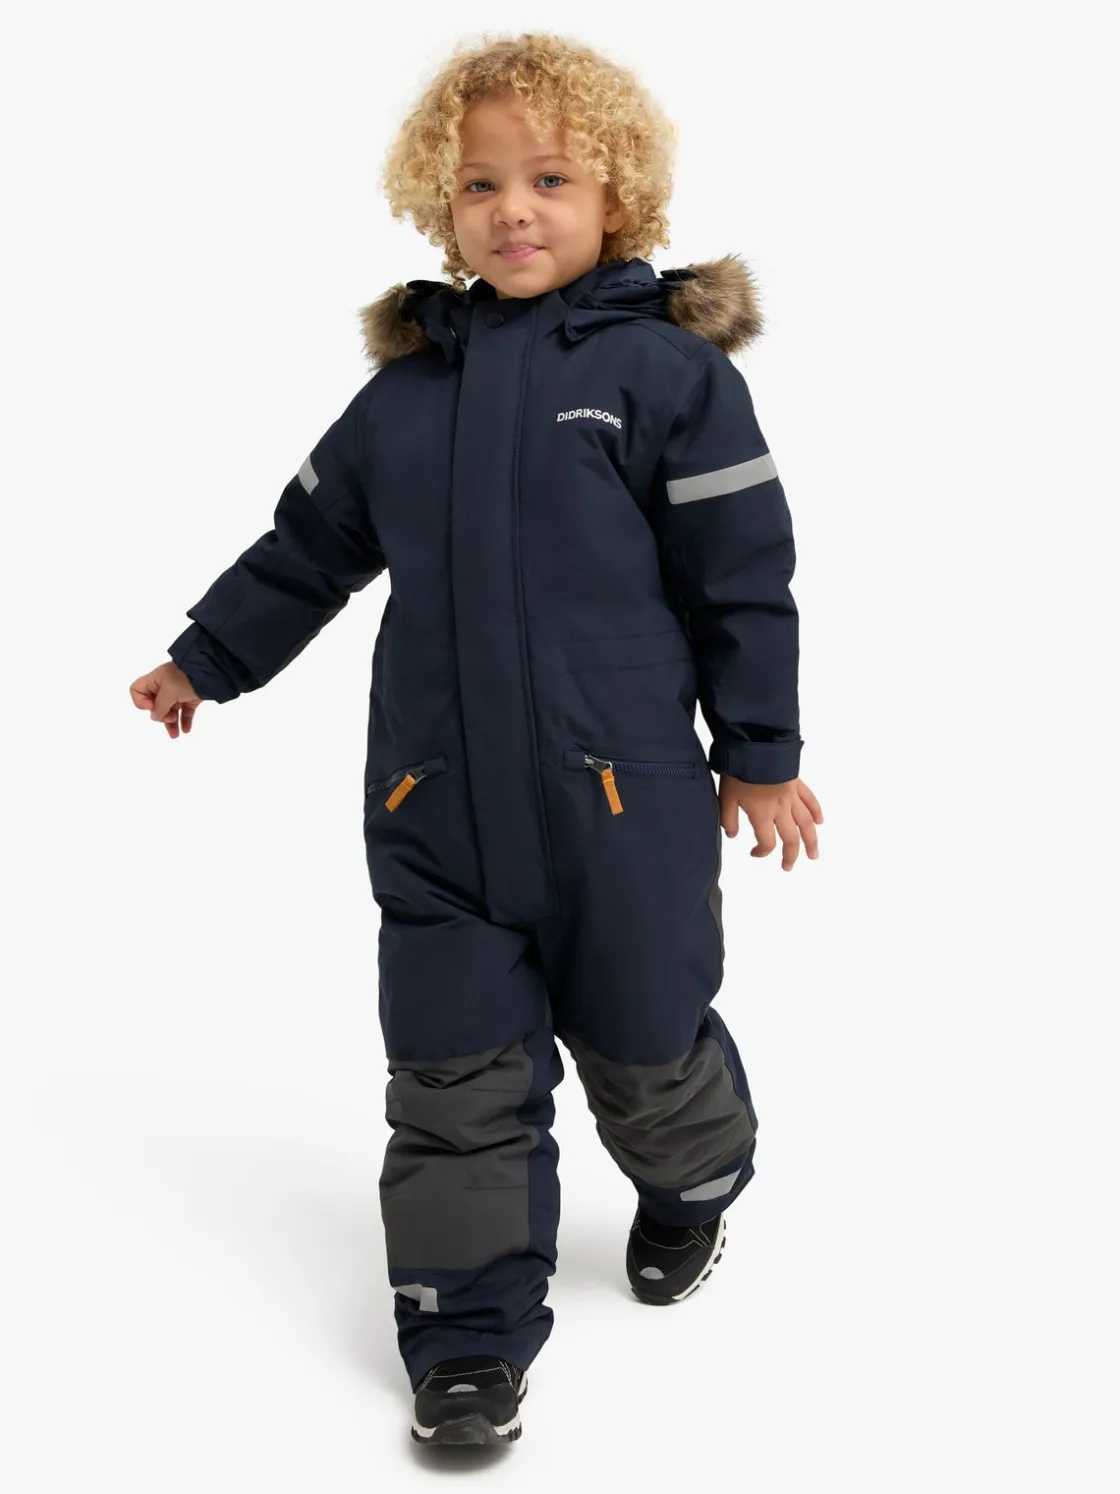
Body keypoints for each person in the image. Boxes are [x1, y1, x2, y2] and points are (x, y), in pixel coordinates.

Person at [130, 30, 823, 1448]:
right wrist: (208, 654)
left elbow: (744, 578)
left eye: (551, 179)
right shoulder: (406, 398)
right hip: (432, 803)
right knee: (452, 1076)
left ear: (618, 198)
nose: (514, 210)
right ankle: (465, 1339)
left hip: (620, 806)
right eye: (480, 185)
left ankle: (694, 1181)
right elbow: (308, 547)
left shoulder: (669, 379)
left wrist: (760, 750)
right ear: (438, 208)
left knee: (646, 1036)